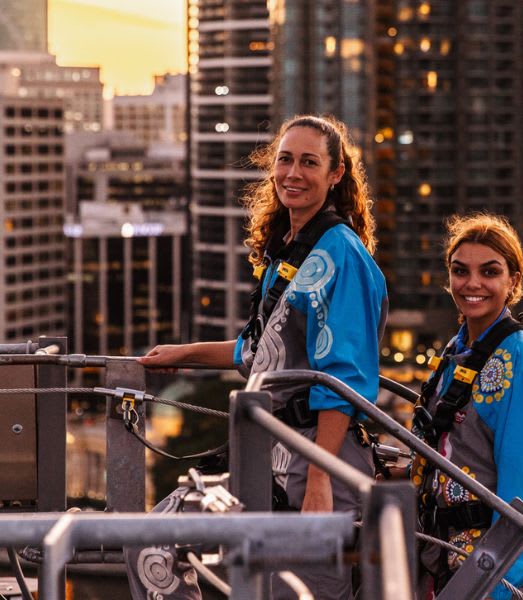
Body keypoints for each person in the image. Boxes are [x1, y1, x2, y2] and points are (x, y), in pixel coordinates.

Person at [125, 114, 387, 600]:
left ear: (335, 175)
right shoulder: (290, 254)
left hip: (318, 456)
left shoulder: (341, 254)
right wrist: (185, 353)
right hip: (271, 454)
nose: (293, 172)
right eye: (285, 160)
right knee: (153, 542)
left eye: (310, 162)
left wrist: (318, 479)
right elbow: (257, 351)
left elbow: (343, 379)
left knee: (306, 594)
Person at [410, 213, 523, 599]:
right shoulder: (458, 352)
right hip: (435, 561)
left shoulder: (521, 364)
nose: (472, 283)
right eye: (460, 271)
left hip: (481, 577)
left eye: (489, 272)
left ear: (513, 281)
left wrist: (495, 590)